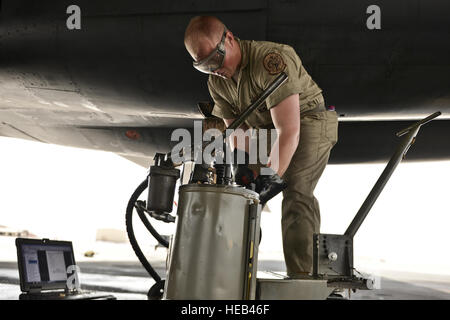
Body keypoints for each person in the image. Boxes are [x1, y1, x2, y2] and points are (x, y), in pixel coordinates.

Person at [184, 16, 338, 277]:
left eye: (216, 60)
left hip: (308, 121)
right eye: (205, 66)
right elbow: (238, 131)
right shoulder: (217, 82)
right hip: (264, 130)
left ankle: (302, 280)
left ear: (229, 39)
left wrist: (269, 177)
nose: (214, 69)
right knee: (241, 196)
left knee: (296, 191)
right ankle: (232, 275)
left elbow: (288, 132)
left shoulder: (270, 61)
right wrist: (246, 171)